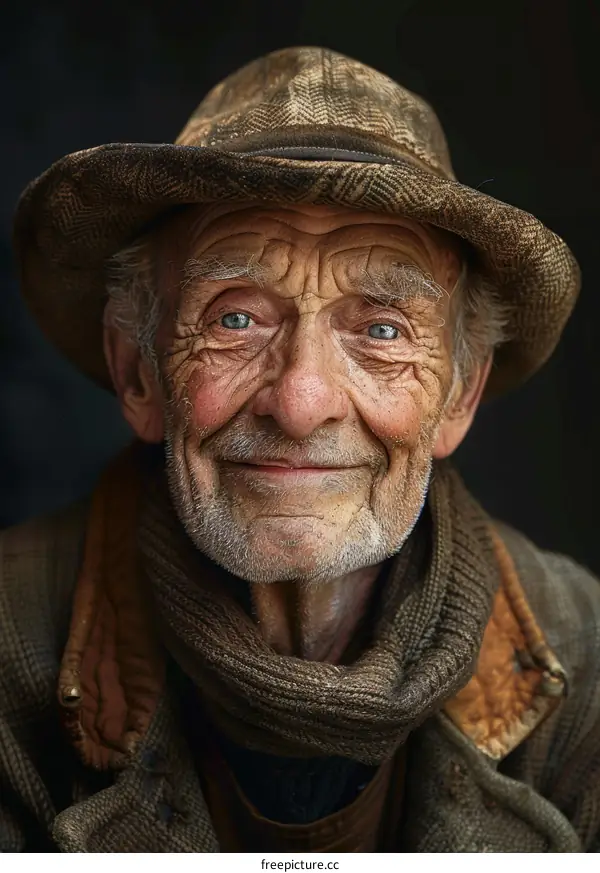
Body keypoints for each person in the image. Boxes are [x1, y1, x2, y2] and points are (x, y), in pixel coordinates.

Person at [2, 46, 600, 853]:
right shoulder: (9, 648)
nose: (301, 401)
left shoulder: (585, 658)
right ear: (138, 371)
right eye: (236, 318)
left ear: (459, 395)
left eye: (382, 329)